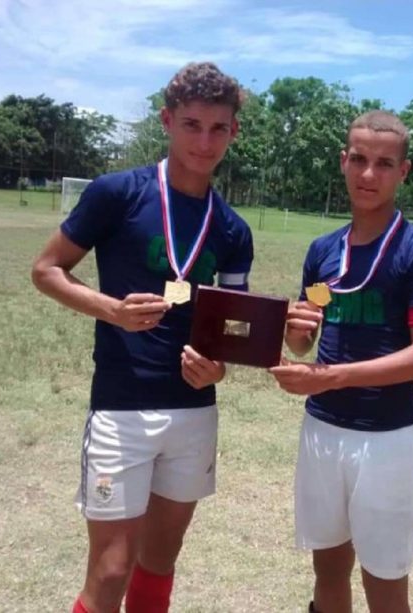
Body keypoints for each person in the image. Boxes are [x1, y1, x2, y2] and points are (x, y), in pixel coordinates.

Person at [31, 62, 253, 613]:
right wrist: (111, 310)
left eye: (218, 128)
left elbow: (233, 326)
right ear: (166, 120)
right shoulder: (118, 193)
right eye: (191, 124)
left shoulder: (231, 229)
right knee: (110, 573)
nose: (204, 141)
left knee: (159, 565)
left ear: (234, 132)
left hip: (194, 411)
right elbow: (46, 270)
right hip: (122, 407)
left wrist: (221, 366)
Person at [270, 110, 413, 613]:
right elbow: (307, 341)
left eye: (384, 164)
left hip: (387, 438)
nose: (369, 174)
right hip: (323, 430)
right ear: (343, 161)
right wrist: (296, 332)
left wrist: (332, 378)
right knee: (327, 573)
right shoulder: (323, 250)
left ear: (404, 171)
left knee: (385, 586)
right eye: (359, 159)